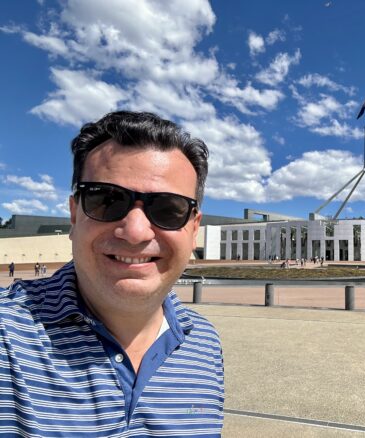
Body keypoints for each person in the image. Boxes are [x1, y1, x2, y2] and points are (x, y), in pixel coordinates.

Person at [0, 111, 224, 436]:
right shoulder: (8, 338)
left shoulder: (204, 345)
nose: (135, 232)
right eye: (106, 199)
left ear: (193, 229)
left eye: (168, 209)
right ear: (74, 214)